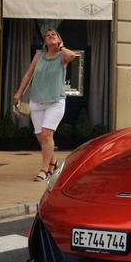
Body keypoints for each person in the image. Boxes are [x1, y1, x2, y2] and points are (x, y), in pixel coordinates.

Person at [14, 29, 76, 181]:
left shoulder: (63, 56)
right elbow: (28, 74)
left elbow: (72, 56)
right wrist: (19, 93)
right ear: (44, 41)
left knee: (47, 134)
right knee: (41, 137)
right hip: (36, 101)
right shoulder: (39, 55)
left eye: (53, 35)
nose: (50, 37)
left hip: (55, 101)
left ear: (59, 39)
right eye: (48, 36)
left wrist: (60, 47)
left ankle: (44, 170)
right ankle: (53, 163)